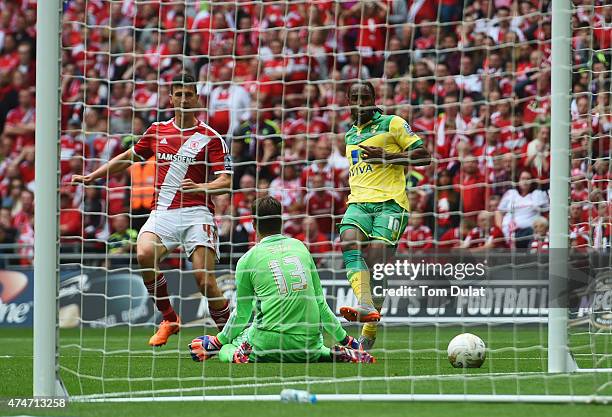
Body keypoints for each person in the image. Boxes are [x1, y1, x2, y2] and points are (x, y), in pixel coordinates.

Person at [72, 73, 232, 347]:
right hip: (163, 212)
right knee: (144, 252)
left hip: (197, 213)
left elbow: (226, 181)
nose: (183, 99)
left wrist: (201, 188)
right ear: (171, 99)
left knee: (205, 282)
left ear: (197, 98)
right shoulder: (157, 130)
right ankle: (169, 318)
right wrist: (92, 177)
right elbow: (128, 158)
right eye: (178, 94)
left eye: (188, 94)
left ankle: (231, 334)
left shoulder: (211, 137)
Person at [188, 197, 374, 363]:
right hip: (307, 343)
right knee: (316, 350)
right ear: (281, 222)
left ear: (254, 224)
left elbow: (242, 314)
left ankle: (237, 354)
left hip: (267, 341)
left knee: (226, 349)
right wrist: (347, 340)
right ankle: (331, 353)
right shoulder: (300, 247)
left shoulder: (247, 259)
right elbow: (320, 304)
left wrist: (217, 341)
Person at [337, 81, 431, 349]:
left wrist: (388, 157)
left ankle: (369, 329)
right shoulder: (349, 135)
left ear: (373, 99)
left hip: (391, 203)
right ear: (348, 100)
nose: (360, 102)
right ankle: (365, 303)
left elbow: (424, 155)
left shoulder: (393, 123)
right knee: (348, 239)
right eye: (354, 97)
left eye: (364, 97)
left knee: (377, 260)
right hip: (359, 202)